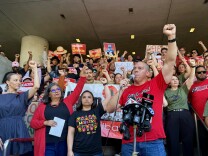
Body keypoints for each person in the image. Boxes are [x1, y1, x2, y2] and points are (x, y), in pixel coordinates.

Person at [106, 24, 177, 156]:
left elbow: (170, 61)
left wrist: (171, 37)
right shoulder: (127, 89)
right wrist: (121, 89)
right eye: (134, 69)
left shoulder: (157, 83)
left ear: (148, 73)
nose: (136, 70)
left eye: (140, 68)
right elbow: (109, 108)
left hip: (153, 141)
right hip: (129, 142)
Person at [30, 66, 87, 156]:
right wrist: (45, 122)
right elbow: (33, 123)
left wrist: (83, 77)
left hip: (64, 143)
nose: (56, 91)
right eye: (53, 90)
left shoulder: (67, 102)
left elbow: (77, 91)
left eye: (58, 90)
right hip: (48, 144)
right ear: (49, 94)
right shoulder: (42, 106)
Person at [0, 60, 40, 156]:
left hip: (19, 129)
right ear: (7, 82)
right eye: (15, 80)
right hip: (2, 129)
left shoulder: (22, 97)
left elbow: (36, 86)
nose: (19, 82)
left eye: (20, 80)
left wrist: (34, 68)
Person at [67, 78, 111, 156]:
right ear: (81, 100)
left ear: (93, 100)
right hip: (78, 152)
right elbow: (70, 133)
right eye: (84, 97)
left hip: (96, 152)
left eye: (89, 97)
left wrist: (105, 84)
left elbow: (108, 98)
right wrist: (69, 151)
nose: (86, 99)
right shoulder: (75, 114)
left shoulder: (97, 111)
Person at [164, 59, 196, 156]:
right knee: (172, 139)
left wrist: (193, 67)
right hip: (171, 115)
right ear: (169, 82)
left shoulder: (183, 89)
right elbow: (164, 104)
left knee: (188, 138)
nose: (175, 80)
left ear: (179, 81)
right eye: (172, 79)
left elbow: (191, 78)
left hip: (185, 114)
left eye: (176, 79)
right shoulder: (165, 92)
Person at [188, 65, 208, 156]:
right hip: (198, 118)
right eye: (199, 72)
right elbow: (188, 101)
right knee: (203, 142)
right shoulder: (192, 86)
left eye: (204, 72)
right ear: (195, 74)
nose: (202, 74)